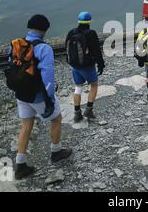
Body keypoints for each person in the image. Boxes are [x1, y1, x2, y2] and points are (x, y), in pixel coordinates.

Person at [12, 14, 72, 180]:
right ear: (44, 29)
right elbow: (48, 76)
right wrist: (50, 98)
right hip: (37, 96)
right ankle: (56, 151)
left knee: (26, 125)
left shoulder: (16, 45)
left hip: (21, 94)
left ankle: (21, 164)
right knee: (56, 118)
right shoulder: (44, 48)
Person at [65, 12, 105, 122]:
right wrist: (101, 64)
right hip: (87, 66)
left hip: (75, 66)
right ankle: (88, 110)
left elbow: (66, 49)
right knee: (94, 85)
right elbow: (96, 51)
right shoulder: (91, 33)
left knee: (78, 87)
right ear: (89, 21)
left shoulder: (71, 32)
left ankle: (77, 113)